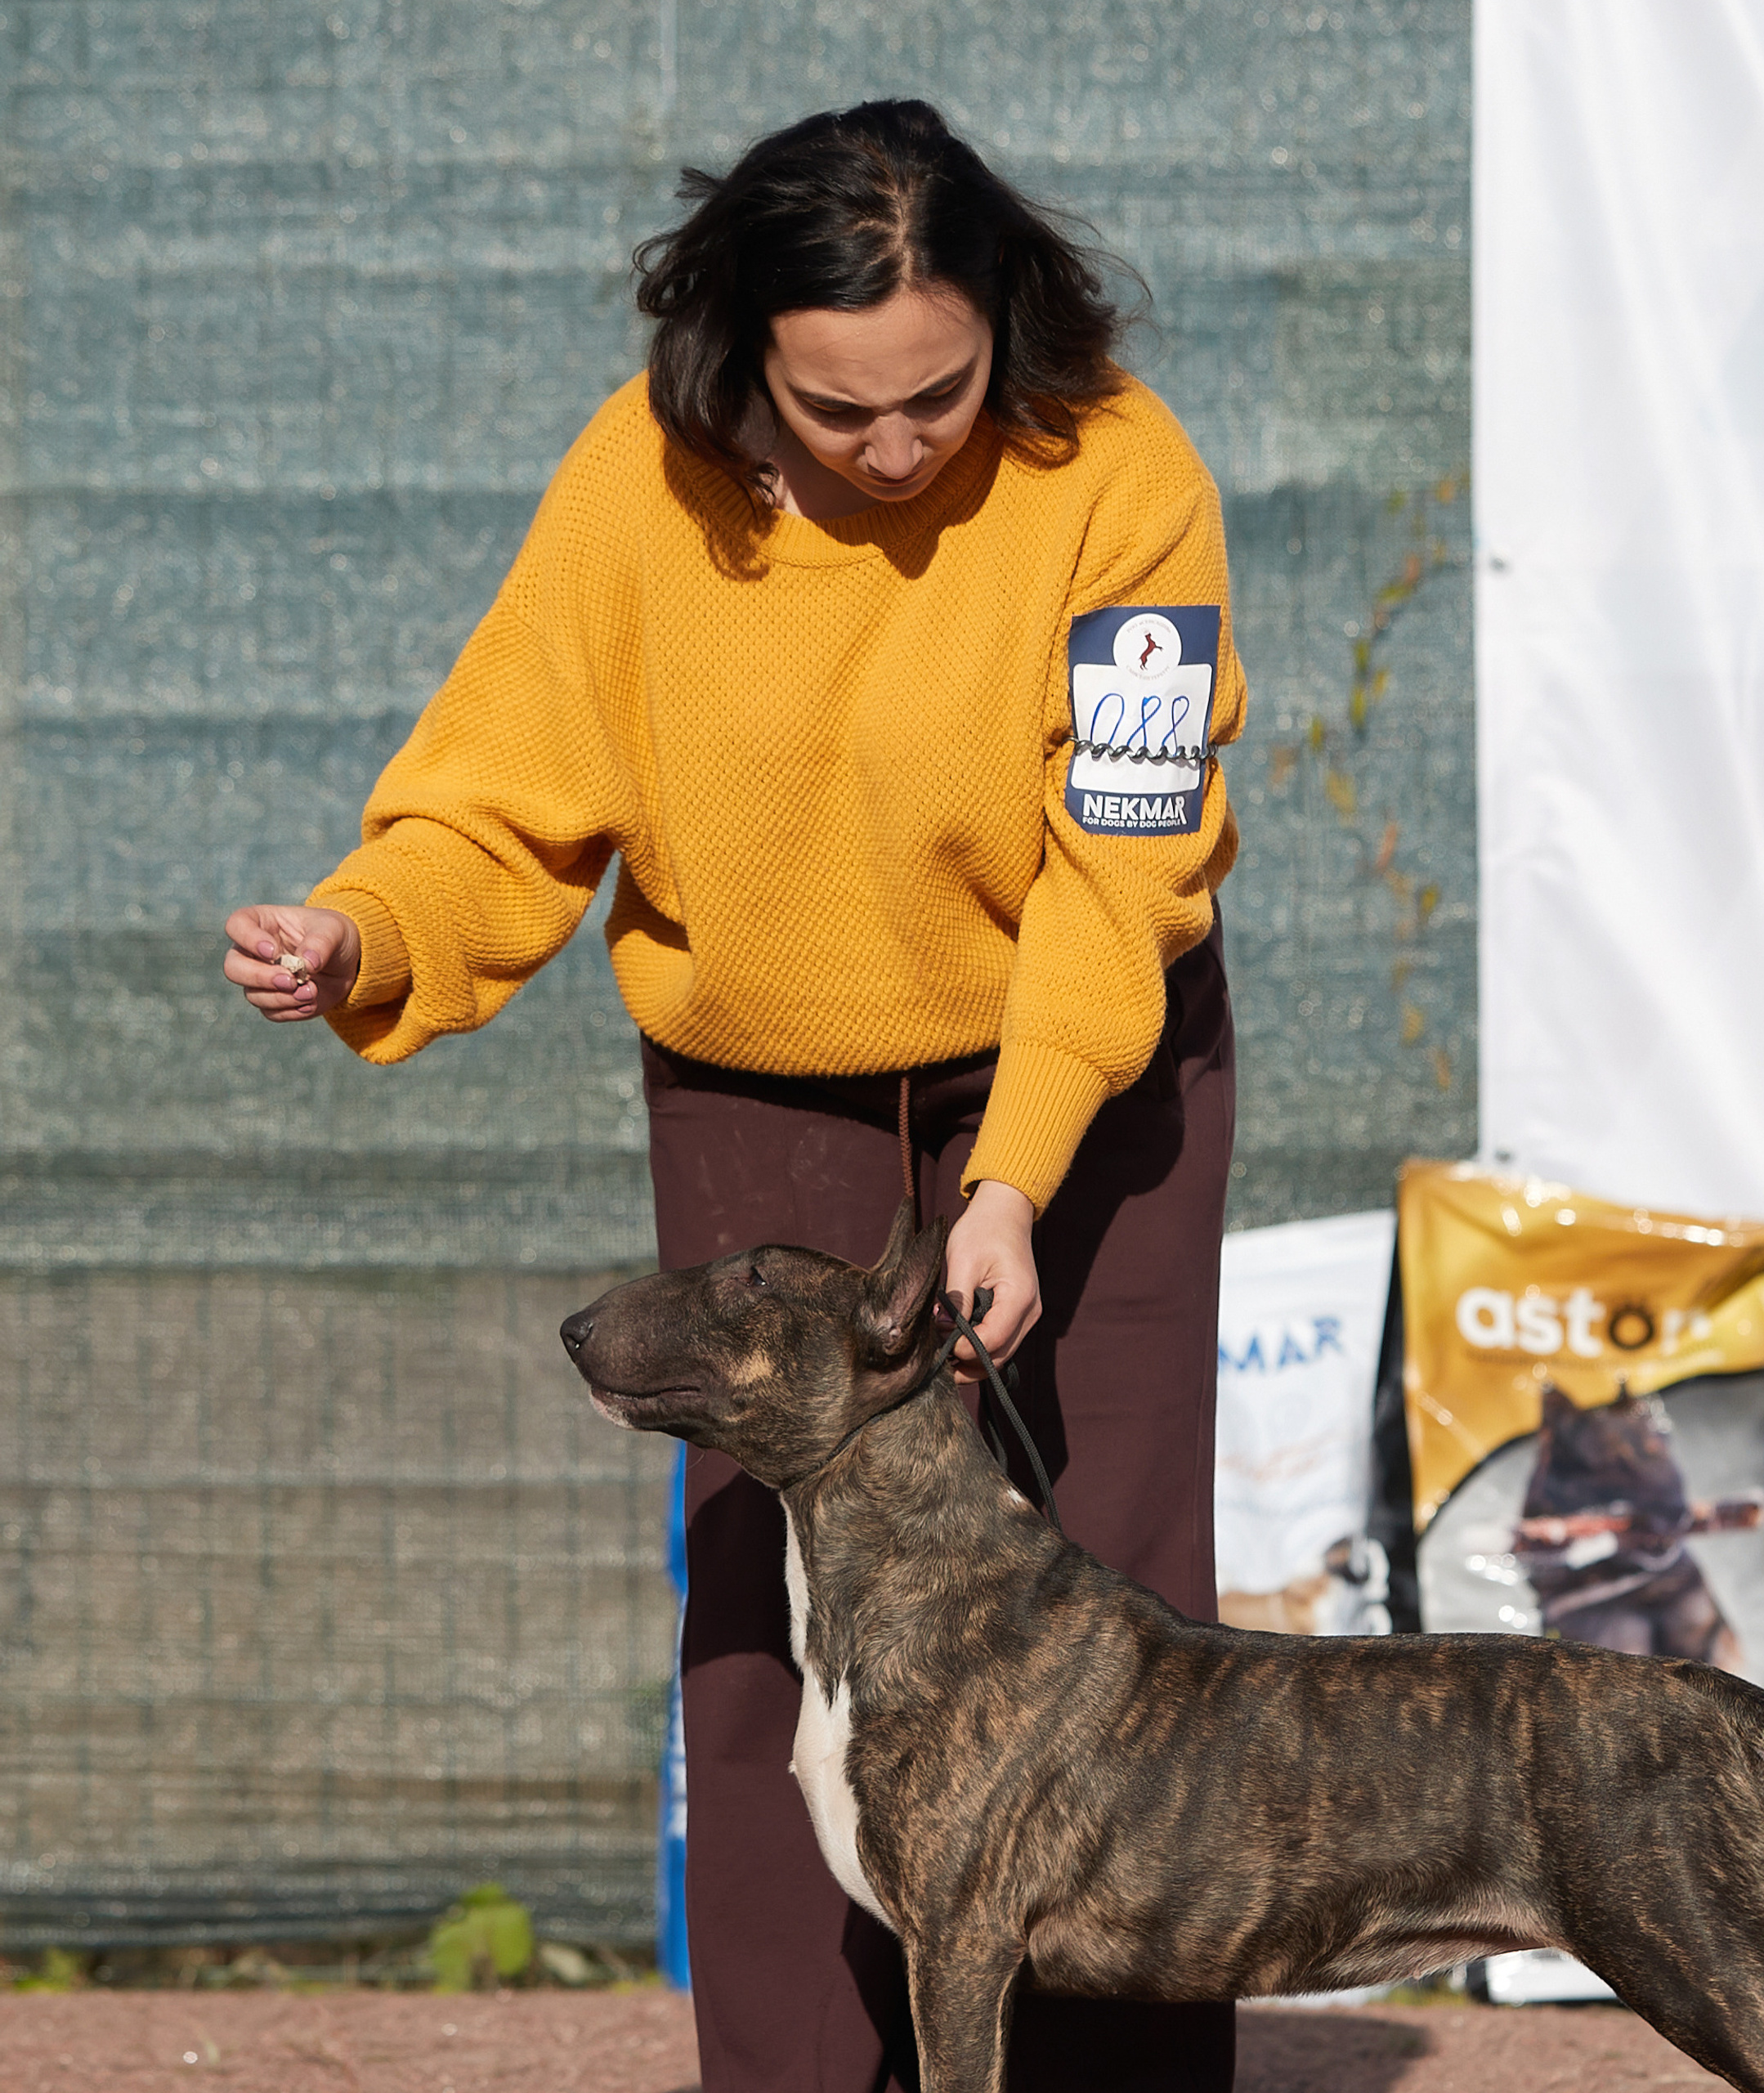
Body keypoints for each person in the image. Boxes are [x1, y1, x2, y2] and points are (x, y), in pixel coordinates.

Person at [222, 99, 1244, 2093]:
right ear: (744, 352)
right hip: (762, 1091)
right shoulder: (640, 478)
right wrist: (367, 930)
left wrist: (1013, 1175)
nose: (894, 446)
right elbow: (502, 801)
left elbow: (1124, 866)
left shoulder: (1120, 470)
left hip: (1085, 1064)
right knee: (774, 1595)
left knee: (1113, 1606)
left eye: (938, 393)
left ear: (1006, 323)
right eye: (834, 406)